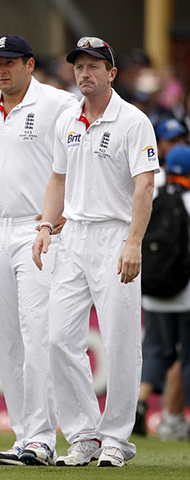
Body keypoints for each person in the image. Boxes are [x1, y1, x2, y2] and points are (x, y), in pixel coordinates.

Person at [0, 35, 78, 466]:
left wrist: (63, 212)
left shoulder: (58, 104)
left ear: (29, 63)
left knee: (37, 333)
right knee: (7, 340)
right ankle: (25, 435)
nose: (2, 70)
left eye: (9, 63)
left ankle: (43, 438)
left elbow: (76, 160)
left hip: (40, 230)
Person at [32, 37, 159, 467]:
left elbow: (145, 185)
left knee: (120, 340)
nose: (84, 73)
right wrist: (47, 226)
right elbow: (57, 180)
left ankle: (116, 439)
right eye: (79, 67)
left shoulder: (134, 120)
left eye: (93, 67)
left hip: (115, 236)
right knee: (58, 339)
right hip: (74, 236)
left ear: (112, 73)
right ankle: (84, 434)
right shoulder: (68, 118)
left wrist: (133, 243)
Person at [138, 144, 190, 441]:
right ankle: (174, 420)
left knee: (156, 351)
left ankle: (141, 404)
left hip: (154, 290)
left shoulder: (153, 194)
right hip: (186, 293)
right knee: (187, 358)